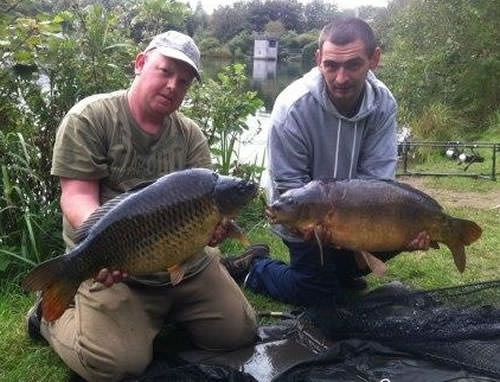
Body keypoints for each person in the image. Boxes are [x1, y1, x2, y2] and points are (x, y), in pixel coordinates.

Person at [26, 30, 269, 382]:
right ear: (140, 63)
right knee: (116, 365)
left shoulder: (190, 136)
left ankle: (159, 315)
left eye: (184, 81)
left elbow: (206, 224)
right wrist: (102, 248)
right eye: (165, 71)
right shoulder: (91, 117)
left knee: (240, 333)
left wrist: (212, 234)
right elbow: (76, 195)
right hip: (117, 265)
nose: (173, 85)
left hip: (185, 263)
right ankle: (46, 319)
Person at [224, 18, 430, 306]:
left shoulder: (383, 103)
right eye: (331, 65)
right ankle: (254, 268)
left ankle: (339, 269)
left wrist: (401, 232)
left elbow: (378, 185)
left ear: (374, 59)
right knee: (318, 295)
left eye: (353, 65)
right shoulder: (292, 107)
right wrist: (315, 223)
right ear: (319, 59)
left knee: (395, 229)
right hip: (302, 213)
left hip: (354, 212)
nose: (341, 78)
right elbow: (289, 189)